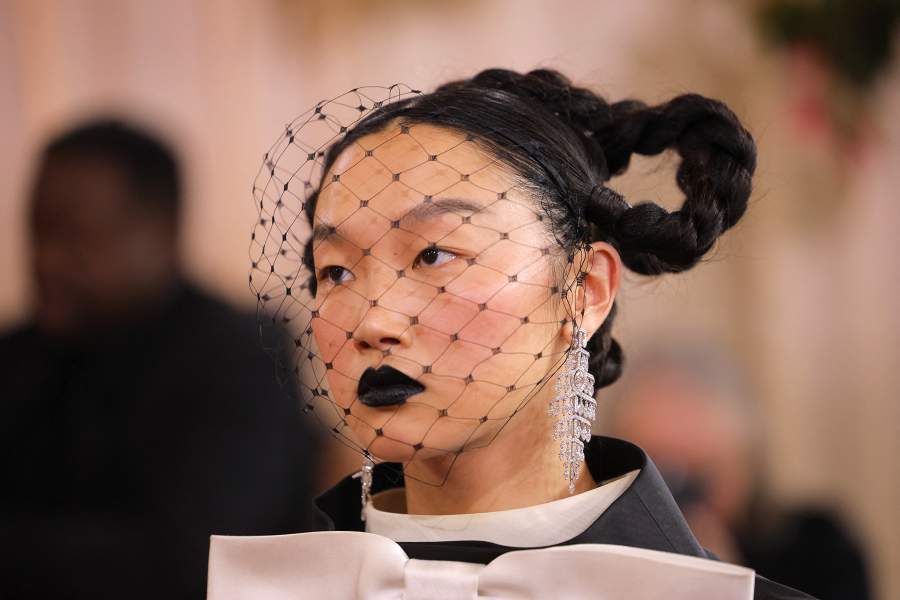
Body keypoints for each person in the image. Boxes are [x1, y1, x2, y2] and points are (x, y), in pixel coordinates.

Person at [209, 69, 815, 598]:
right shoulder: (264, 590)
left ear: (587, 288)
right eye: (336, 271)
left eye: (434, 255)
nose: (374, 320)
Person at [0, 120, 320, 599]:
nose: (48, 260)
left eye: (76, 236)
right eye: (39, 231)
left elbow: (194, 563)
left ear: (160, 229)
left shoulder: (239, 357)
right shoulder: (18, 357)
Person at [608, 343, 871, 600]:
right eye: (659, 472)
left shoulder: (819, 549)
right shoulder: (601, 554)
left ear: (743, 459)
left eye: (699, 474)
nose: (675, 498)